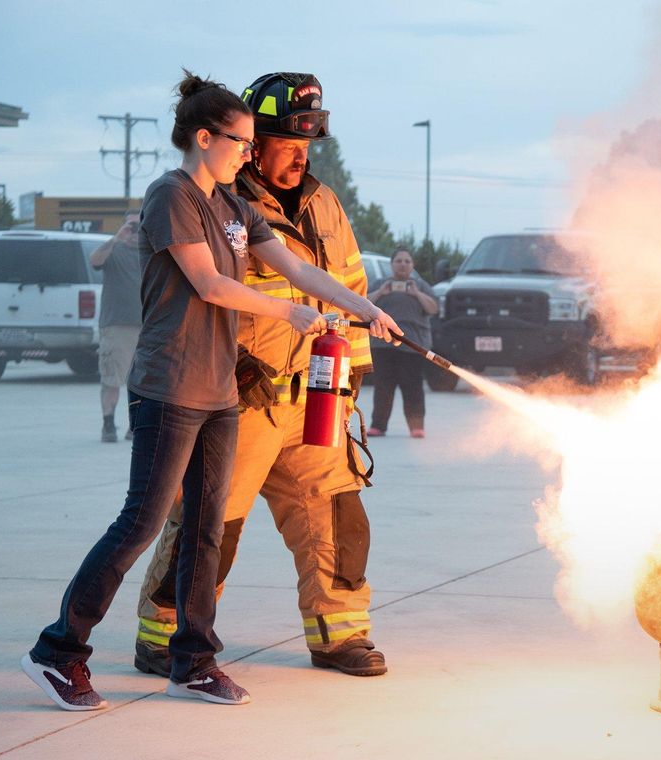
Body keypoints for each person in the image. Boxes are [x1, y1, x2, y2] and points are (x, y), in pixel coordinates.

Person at [21, 70, 399, 712]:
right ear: (207, 138)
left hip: (275, 395)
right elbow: (209, 284)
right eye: (254, 141)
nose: (262, 153)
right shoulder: (172, 195)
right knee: (154, 523)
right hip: (185, 386)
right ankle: (66, 649)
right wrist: (295, 317)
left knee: (248, 524)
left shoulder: (244, 207)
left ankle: (199, 660)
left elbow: (304, 268)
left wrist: (363, 311)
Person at [133, 72, 388, 679]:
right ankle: (162, 633)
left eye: (308, 146)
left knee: (337, 514)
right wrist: (241, 364)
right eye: (283, 143)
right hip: (241, 397)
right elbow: (204, 295)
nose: (299, 156)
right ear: (250, 139)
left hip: (315, 400)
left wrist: (349, 378)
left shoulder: (324, 203)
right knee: (208, 523)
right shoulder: (216, 203)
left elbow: (346, 284)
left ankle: (339, 635)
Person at [367, 249, 438, 438]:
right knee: (383, 388)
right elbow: (365, 305)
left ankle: (417, 427)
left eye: (407, 261)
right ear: (392, 264)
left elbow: (433, 308)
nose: (403, 264)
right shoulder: (380, 284)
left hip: (413, 346)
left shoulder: (421, 286)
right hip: (382, 345)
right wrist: (381, 292)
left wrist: (416, 294)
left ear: (412, 265)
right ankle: (378, 426)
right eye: (399, 261)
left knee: (413, 387)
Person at [89, 212, 142, 442]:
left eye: (139, 226)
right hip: (116, 326)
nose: (134, 231)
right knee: (111, 378)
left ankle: (136, 425)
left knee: (142, 382)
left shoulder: (150, 253)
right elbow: (95, 260)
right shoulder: (114, 250)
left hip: (147, 327)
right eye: (130, 225)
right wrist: (116, 238)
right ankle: (108, 425)